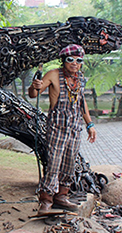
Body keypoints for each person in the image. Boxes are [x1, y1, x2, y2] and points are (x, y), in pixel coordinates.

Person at [28, 44, 96, 214]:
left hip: (74, 127)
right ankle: (46, 199)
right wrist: (34, 85)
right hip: (57, 126)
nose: (75, 63)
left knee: (69, 162)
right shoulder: (53, 75)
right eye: (70, 59)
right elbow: (33, 94)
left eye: (79, 60)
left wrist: (89, 124)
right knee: (54, 162)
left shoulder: (79, 78)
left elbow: (82, 102)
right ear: (63, 60)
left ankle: (61, 196)